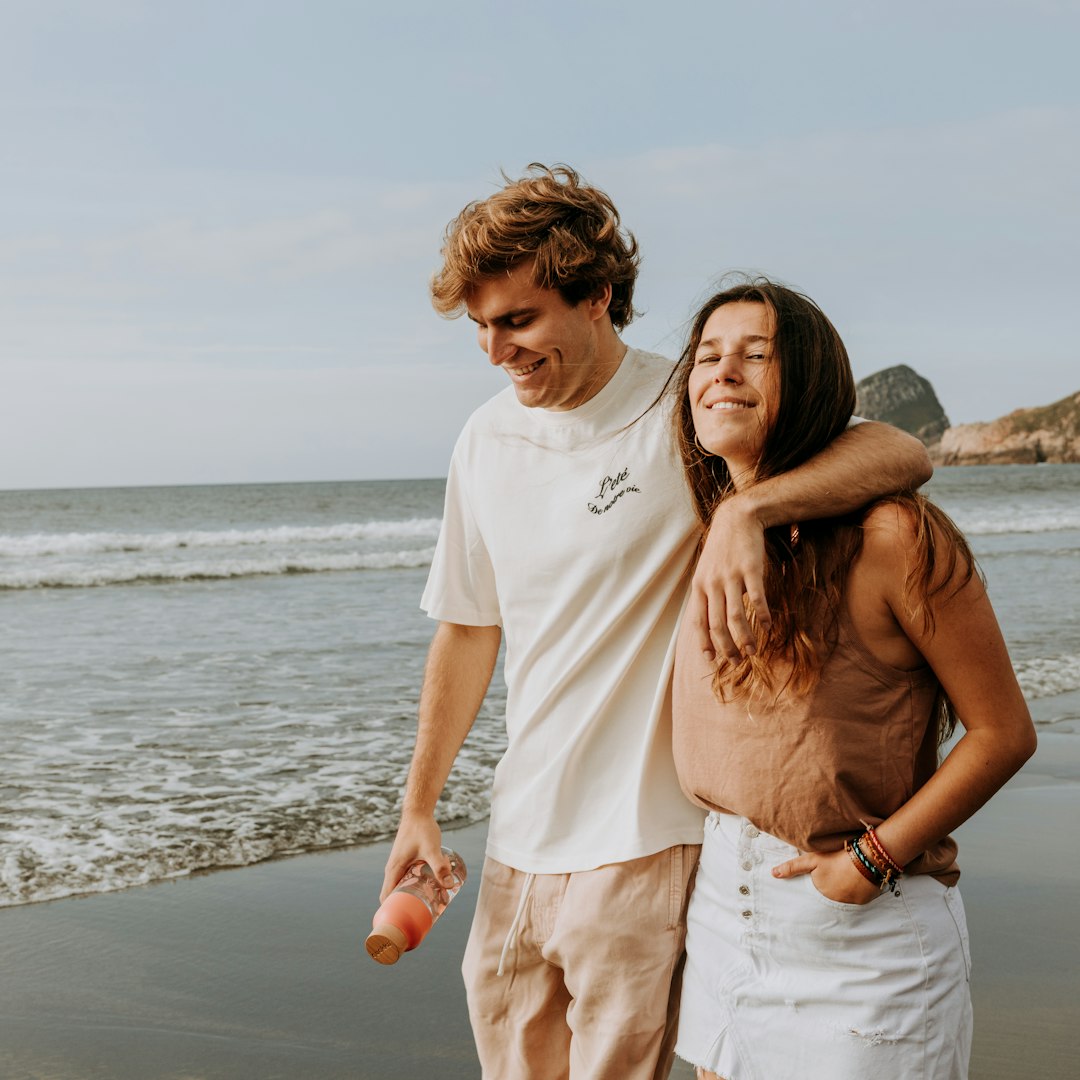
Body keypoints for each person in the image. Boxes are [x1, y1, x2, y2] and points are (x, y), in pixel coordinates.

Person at [381, 165, 933, 1080]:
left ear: (596, 296)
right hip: (517, 840)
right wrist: (419, 808)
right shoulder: (483, 438)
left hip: (647, 841)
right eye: (479, 327)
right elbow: (469, 629)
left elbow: (895, 448)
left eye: (518, 320)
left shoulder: (687, 404)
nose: (495, 351)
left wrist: (744, 512)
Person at [669, 279, 1036, 1080]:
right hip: (727, 913)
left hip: (863, 931)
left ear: (809, 387)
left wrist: (869, 863)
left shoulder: (892, 536)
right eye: (708, 355)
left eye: (756, 356)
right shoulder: (701, 525)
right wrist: (739, 516)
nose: (724, 370)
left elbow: (1005, 733)